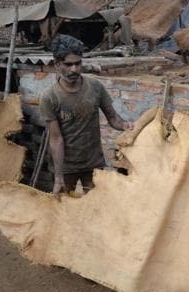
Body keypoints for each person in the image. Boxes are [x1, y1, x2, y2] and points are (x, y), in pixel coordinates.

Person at [40, 34, 133, 195]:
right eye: (68, 64)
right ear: (56, 64)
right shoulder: (50, 97)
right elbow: (56, 139)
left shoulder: (95, 87)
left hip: (94, 164)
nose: (74, 69)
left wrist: (126, 126)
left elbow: (113, 118)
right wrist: (58, 177)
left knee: (96, 208)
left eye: (78, 63)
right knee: (64, 209)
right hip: (67, 168)